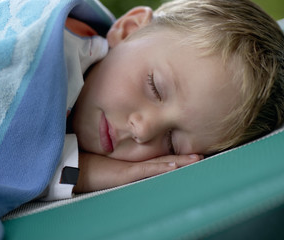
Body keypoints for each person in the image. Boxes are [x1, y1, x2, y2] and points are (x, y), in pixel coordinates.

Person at [43, 0, 284, 199]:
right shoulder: (50, 48)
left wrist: (84, 172)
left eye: (171, 144)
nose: (143, 129)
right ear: (129, 29)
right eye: (154, 87)